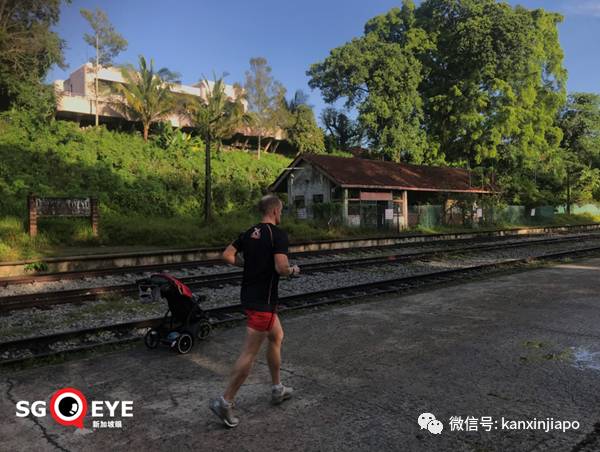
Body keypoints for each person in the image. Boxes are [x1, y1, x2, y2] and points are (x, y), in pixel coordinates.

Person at [209, 194, 300, 428]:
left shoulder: (249, 233)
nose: (281, 214)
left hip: (249, 297)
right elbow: (281, 268)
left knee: (277, 336)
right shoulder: (277, 235)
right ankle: (225, 401)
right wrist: (293, 270)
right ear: (275, 212)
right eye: (281, 211)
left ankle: (277, 388)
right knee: (250, 352)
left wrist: (247, 264)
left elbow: (227, 255)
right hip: (263, 302)